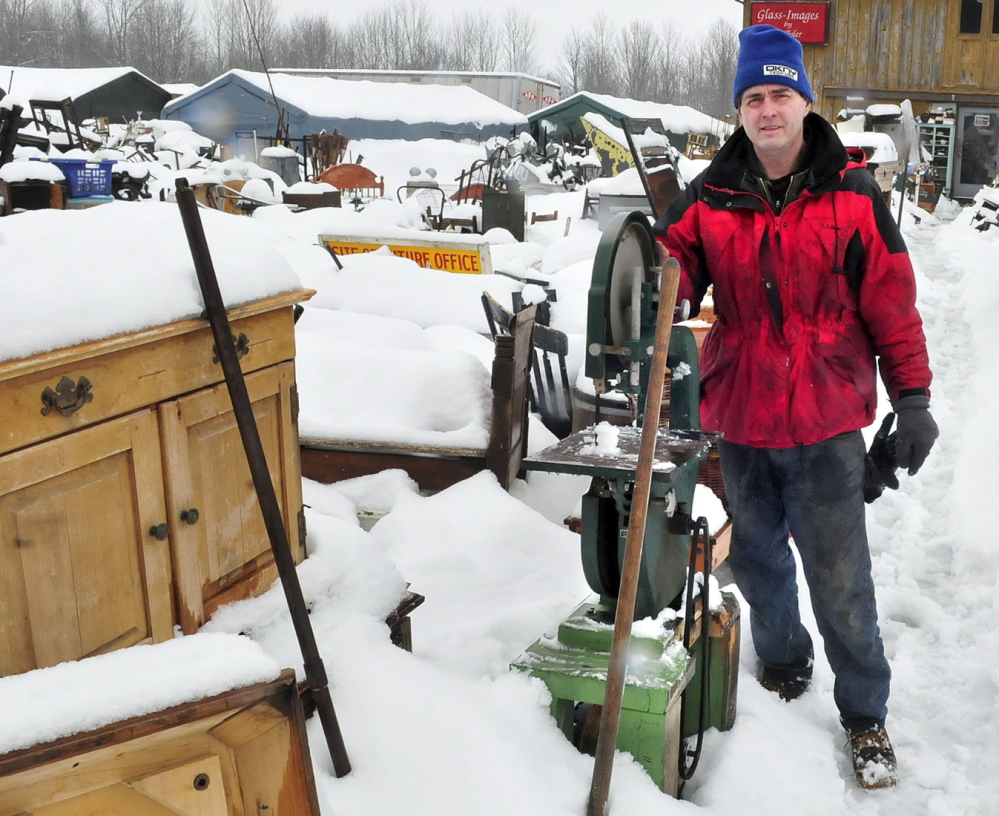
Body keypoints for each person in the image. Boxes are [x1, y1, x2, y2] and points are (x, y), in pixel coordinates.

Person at [653, 24, 938, 790]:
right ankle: (782, 668)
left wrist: (911, 398)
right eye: (753, 97)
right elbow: (668, 278)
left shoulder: (851, 194)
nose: (766, 109)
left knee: (840, 581)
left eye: (780, 93)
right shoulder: (709, 196)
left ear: (804, 105)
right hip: (742, 417)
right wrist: (653, 275)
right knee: (754, 560)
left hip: (825, 423)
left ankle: (864, 716)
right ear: (739, 111)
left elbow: (892, 305)